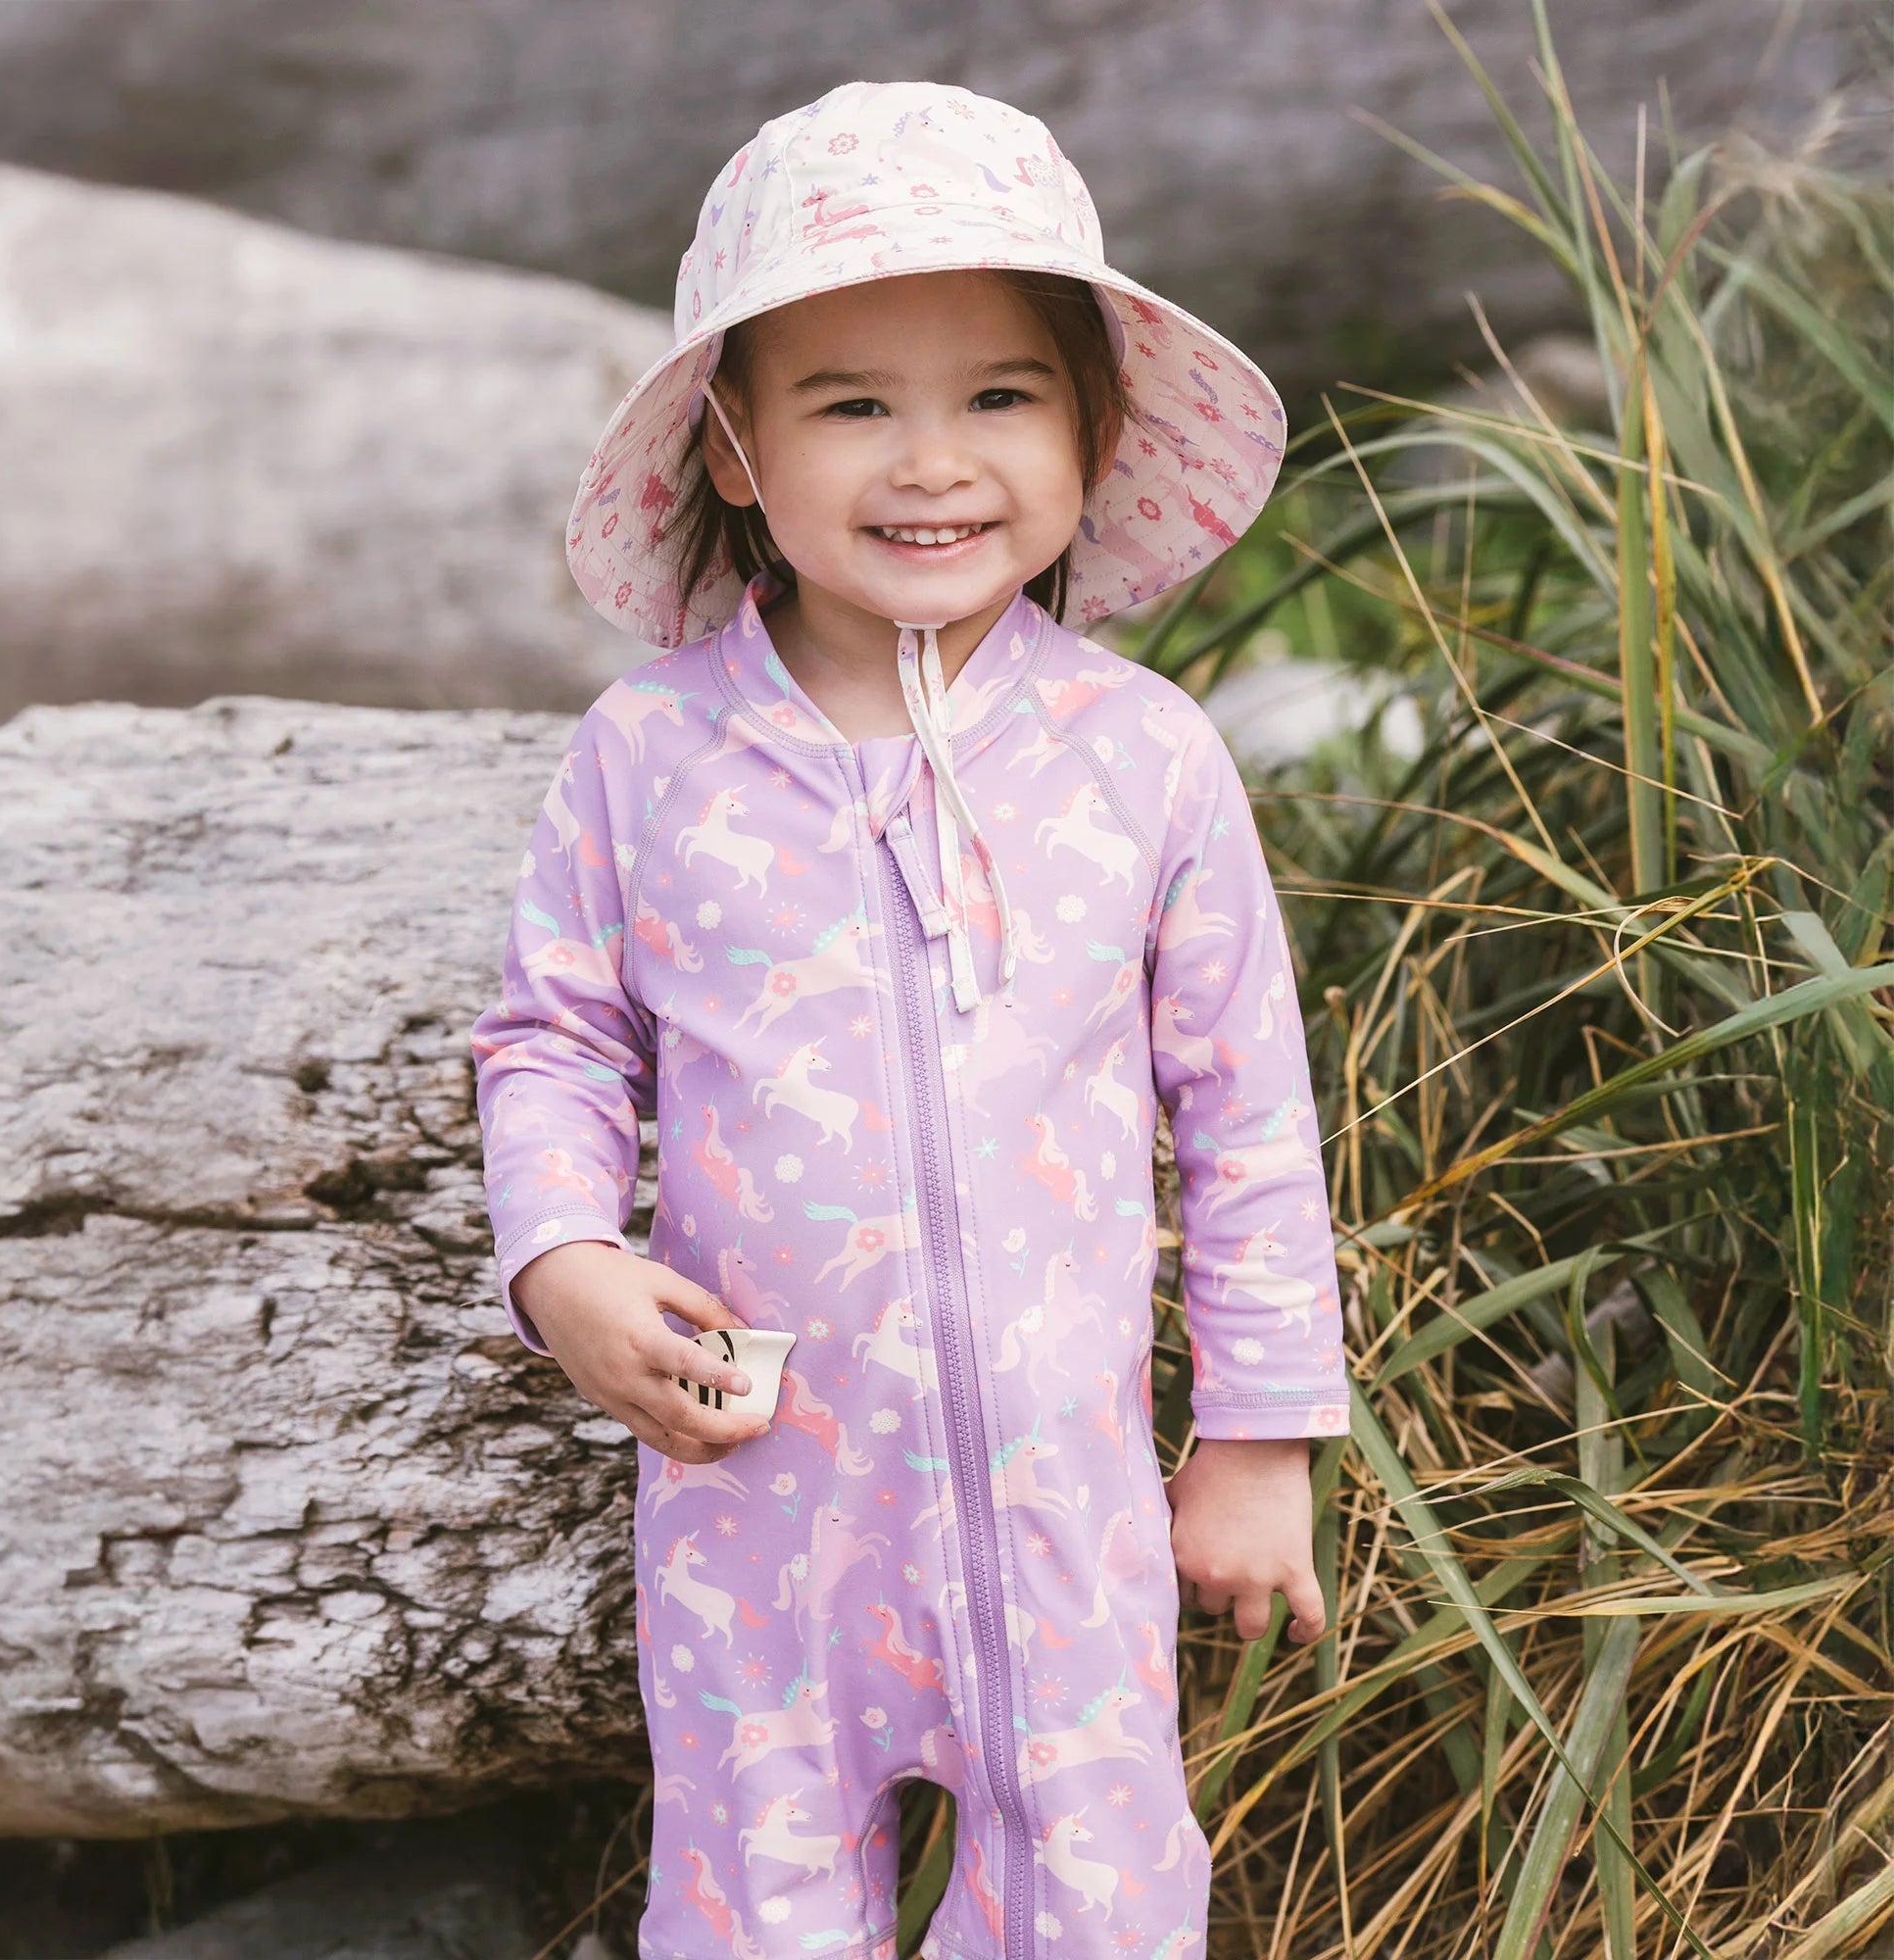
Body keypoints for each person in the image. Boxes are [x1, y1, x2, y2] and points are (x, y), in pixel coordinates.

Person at [470, 78, 1350, 1960]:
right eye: (852, 404)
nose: (932, 463)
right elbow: (555, 1038)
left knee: (1098, 1905)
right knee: (753, 1910)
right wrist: (563, 1261)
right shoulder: (650, 754)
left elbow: (1248, 1109)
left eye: (1000, 397)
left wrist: (1260, 1433)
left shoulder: (1142, 757)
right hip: (761, 1500)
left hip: (1063, 1508)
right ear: (732, 446)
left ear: (1093, 430)